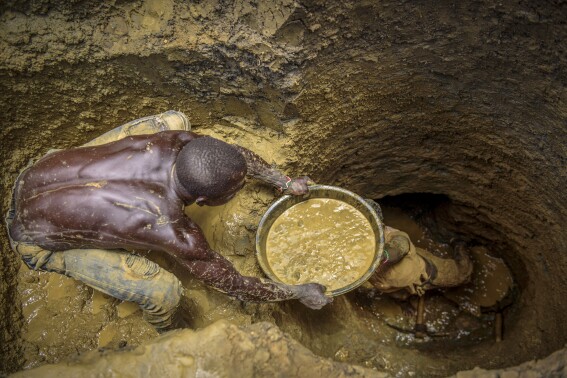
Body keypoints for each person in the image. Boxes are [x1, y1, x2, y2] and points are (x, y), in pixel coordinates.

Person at [5, 110, 332, 331]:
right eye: (234, 191)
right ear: (204, 202)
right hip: (33, 238)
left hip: (38, 174)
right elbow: (234, 284)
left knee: (175, 118)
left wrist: (284, 182)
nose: (239, 188)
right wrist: (298, 291)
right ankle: (166, 330)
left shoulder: (177, 141)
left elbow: (235, 156)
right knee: (165, 293)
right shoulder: (171, 229)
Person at [369, 223, 474, 301]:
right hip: (395, 284)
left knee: (462, 275)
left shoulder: (391, 236)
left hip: (424, 272)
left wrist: (381, 256)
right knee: (400, 295)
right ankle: (407, 299)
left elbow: (399, 248)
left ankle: (459, 244)